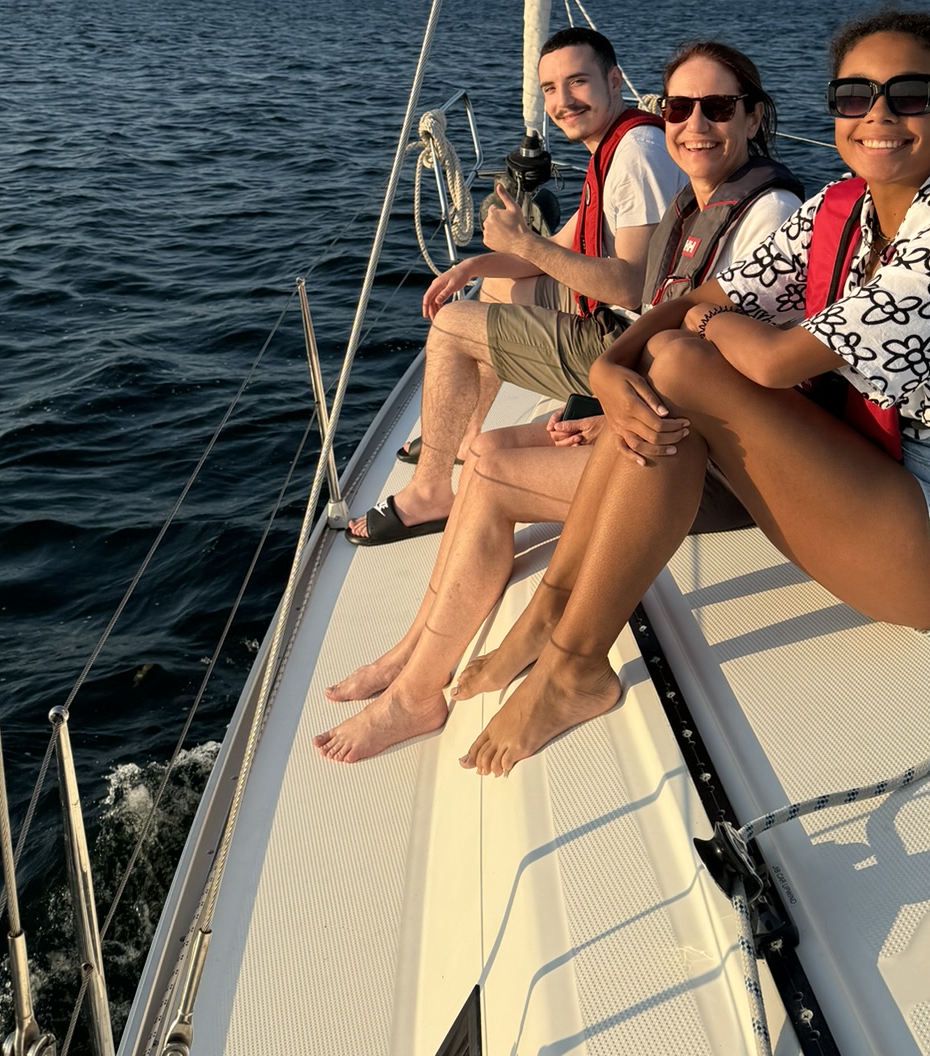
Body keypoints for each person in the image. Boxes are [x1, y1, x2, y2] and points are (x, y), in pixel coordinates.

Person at [456, 8, 930, 777]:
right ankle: (557, 616)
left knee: (674, 367)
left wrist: (691, 328)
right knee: (661, 387)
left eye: (909, 94)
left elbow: (770, 360)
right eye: (854, 96)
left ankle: (572, 663)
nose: (878, 116)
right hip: (886, 479)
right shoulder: (846, 205)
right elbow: (712, 293)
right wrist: (612, 369)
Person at [316, 41, 803, 760]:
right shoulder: (691, 205)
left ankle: (418, 691)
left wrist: (612, 404)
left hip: (703, 467)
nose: (694, 124)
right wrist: (605, 408)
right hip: (661, 426)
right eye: (679, 108)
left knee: (487, 474)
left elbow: (736, 369)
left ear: (755, 116)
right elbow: (673, 337)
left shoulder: (769, 217)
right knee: (486, 448)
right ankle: (413, 647)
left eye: (718, 108)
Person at [347, 27, 684, 544]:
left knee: (454, 325)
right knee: (490, 293)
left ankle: (430, 495)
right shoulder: (615, 145)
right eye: (550, 88)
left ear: (615, 81)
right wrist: (476, 267)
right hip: (623, 324)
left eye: (577, 82)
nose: (563, 101)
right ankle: (462, 436)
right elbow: (564, 248)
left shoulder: (638, 154)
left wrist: (526, 244)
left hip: (631, 347)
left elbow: (631, 287)